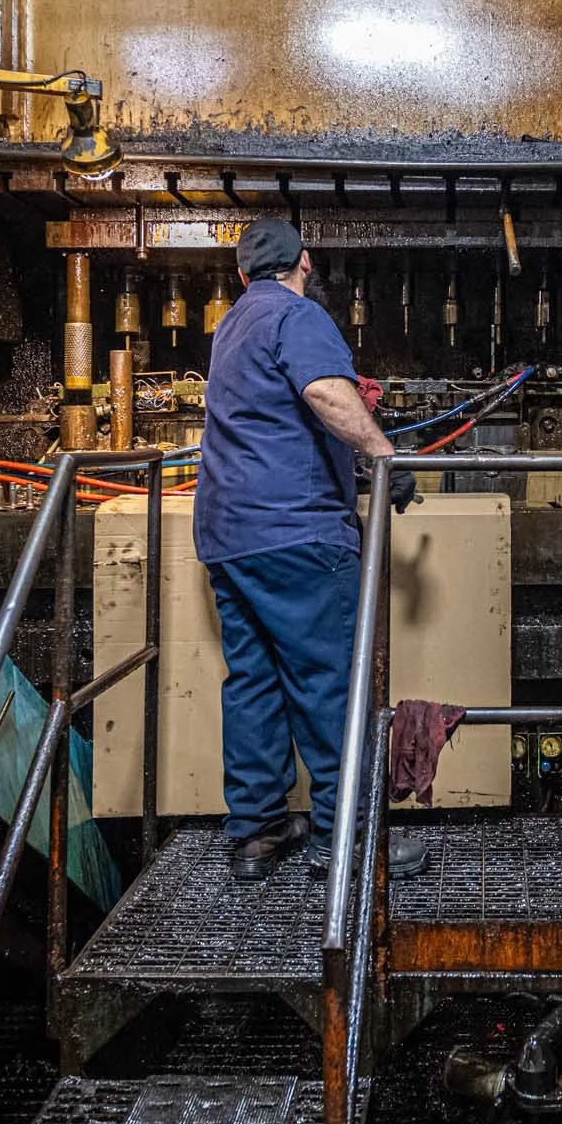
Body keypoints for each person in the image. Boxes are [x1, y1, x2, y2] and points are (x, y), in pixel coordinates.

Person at [194, 216, 423, 882]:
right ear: (306, 261)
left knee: (255, 681)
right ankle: (346, 837)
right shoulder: (298, 315)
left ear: (241, 274)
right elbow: (324, 391)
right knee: (330, 682)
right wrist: (384, 456)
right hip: (295, 532)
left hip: (228, 536)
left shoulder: (232, 325)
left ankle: (258, 831)